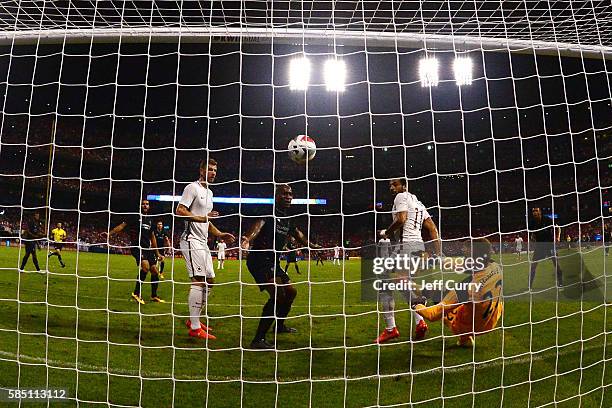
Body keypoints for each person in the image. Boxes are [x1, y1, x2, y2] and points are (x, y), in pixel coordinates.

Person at [241, 184, 320, 349]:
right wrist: (247, 238)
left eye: (290, 194)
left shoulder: (288, 218)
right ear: (276, 195)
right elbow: (258, 226)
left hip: (273, 261)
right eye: (284, 193)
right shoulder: (268, 212)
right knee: (277, 294)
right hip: (260, 260)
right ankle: (258, 340)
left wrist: (312, 245)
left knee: (291, 292)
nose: (288, 196)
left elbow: (298, 234)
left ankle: (279, 326)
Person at [376, 178, 441, 344]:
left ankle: (392, 328)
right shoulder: (419, 203)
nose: (391, 187)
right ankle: (420, 321)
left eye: (395, 184)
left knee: (385, 282)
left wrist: (386, 233)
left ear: (404, 186)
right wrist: (439, 253)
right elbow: (433, 229)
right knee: (402, 283)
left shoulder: (401, 197)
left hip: (406, 247)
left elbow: (401, 219)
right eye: (390, 184)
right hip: (419, 249)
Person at [176, 158, 235, 341]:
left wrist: (219, 234)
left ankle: (194, 319)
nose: (213, 173)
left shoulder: (209, 192)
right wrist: (202, 218)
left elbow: (207, 221)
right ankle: (194, 327)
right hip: (190, 240)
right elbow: (180, 210)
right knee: (198, 280)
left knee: (210, 281)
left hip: (203, 242)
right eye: (209, 169)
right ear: (201, 170)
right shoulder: (191, 188)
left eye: (215, 170)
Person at [413, 238, 503, 347]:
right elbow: (462, 265)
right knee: (471, 305)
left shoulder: (466, 289)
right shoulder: (496, 266)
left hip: (472, 325)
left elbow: (432, 315)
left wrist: (417, 305)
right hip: (492, 320)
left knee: (438, 294)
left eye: (465, 254)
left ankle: (464, 334)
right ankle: (465, 340)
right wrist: (436, 260)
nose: (463, 254)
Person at [105, 199, 165, 304]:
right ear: (140, 206)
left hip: (148, 248)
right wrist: (109, 234)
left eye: (147, 204)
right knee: (145, 267)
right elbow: (122, 226)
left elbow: (152, 237)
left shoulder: (150, 220)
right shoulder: (134, 217)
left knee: (155, 270)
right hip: (137, 247)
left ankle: (153, 295)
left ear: (149, 206)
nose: (145, 206)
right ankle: (136, 294)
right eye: (143, 204)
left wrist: (157, 253)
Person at [529, 207, 563, 288]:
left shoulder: (547, 219)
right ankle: (529, 287)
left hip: (549, 245)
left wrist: (558, 237)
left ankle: (561, 283)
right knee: (533, 266)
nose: (534, 212)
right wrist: (532, 238)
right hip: (539, 246)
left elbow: (558, 227)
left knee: (556, 264)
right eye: (533, 211)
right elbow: (533, 234)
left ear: (540, 212)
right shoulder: (532, 222)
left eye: (536, 210)